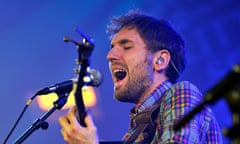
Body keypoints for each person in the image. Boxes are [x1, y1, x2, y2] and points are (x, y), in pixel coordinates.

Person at [58, 10, 223, 143]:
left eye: (127, 47)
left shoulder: (183, 93)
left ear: (160, 60)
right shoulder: (134, 133)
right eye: (112, 47)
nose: (110, 55)